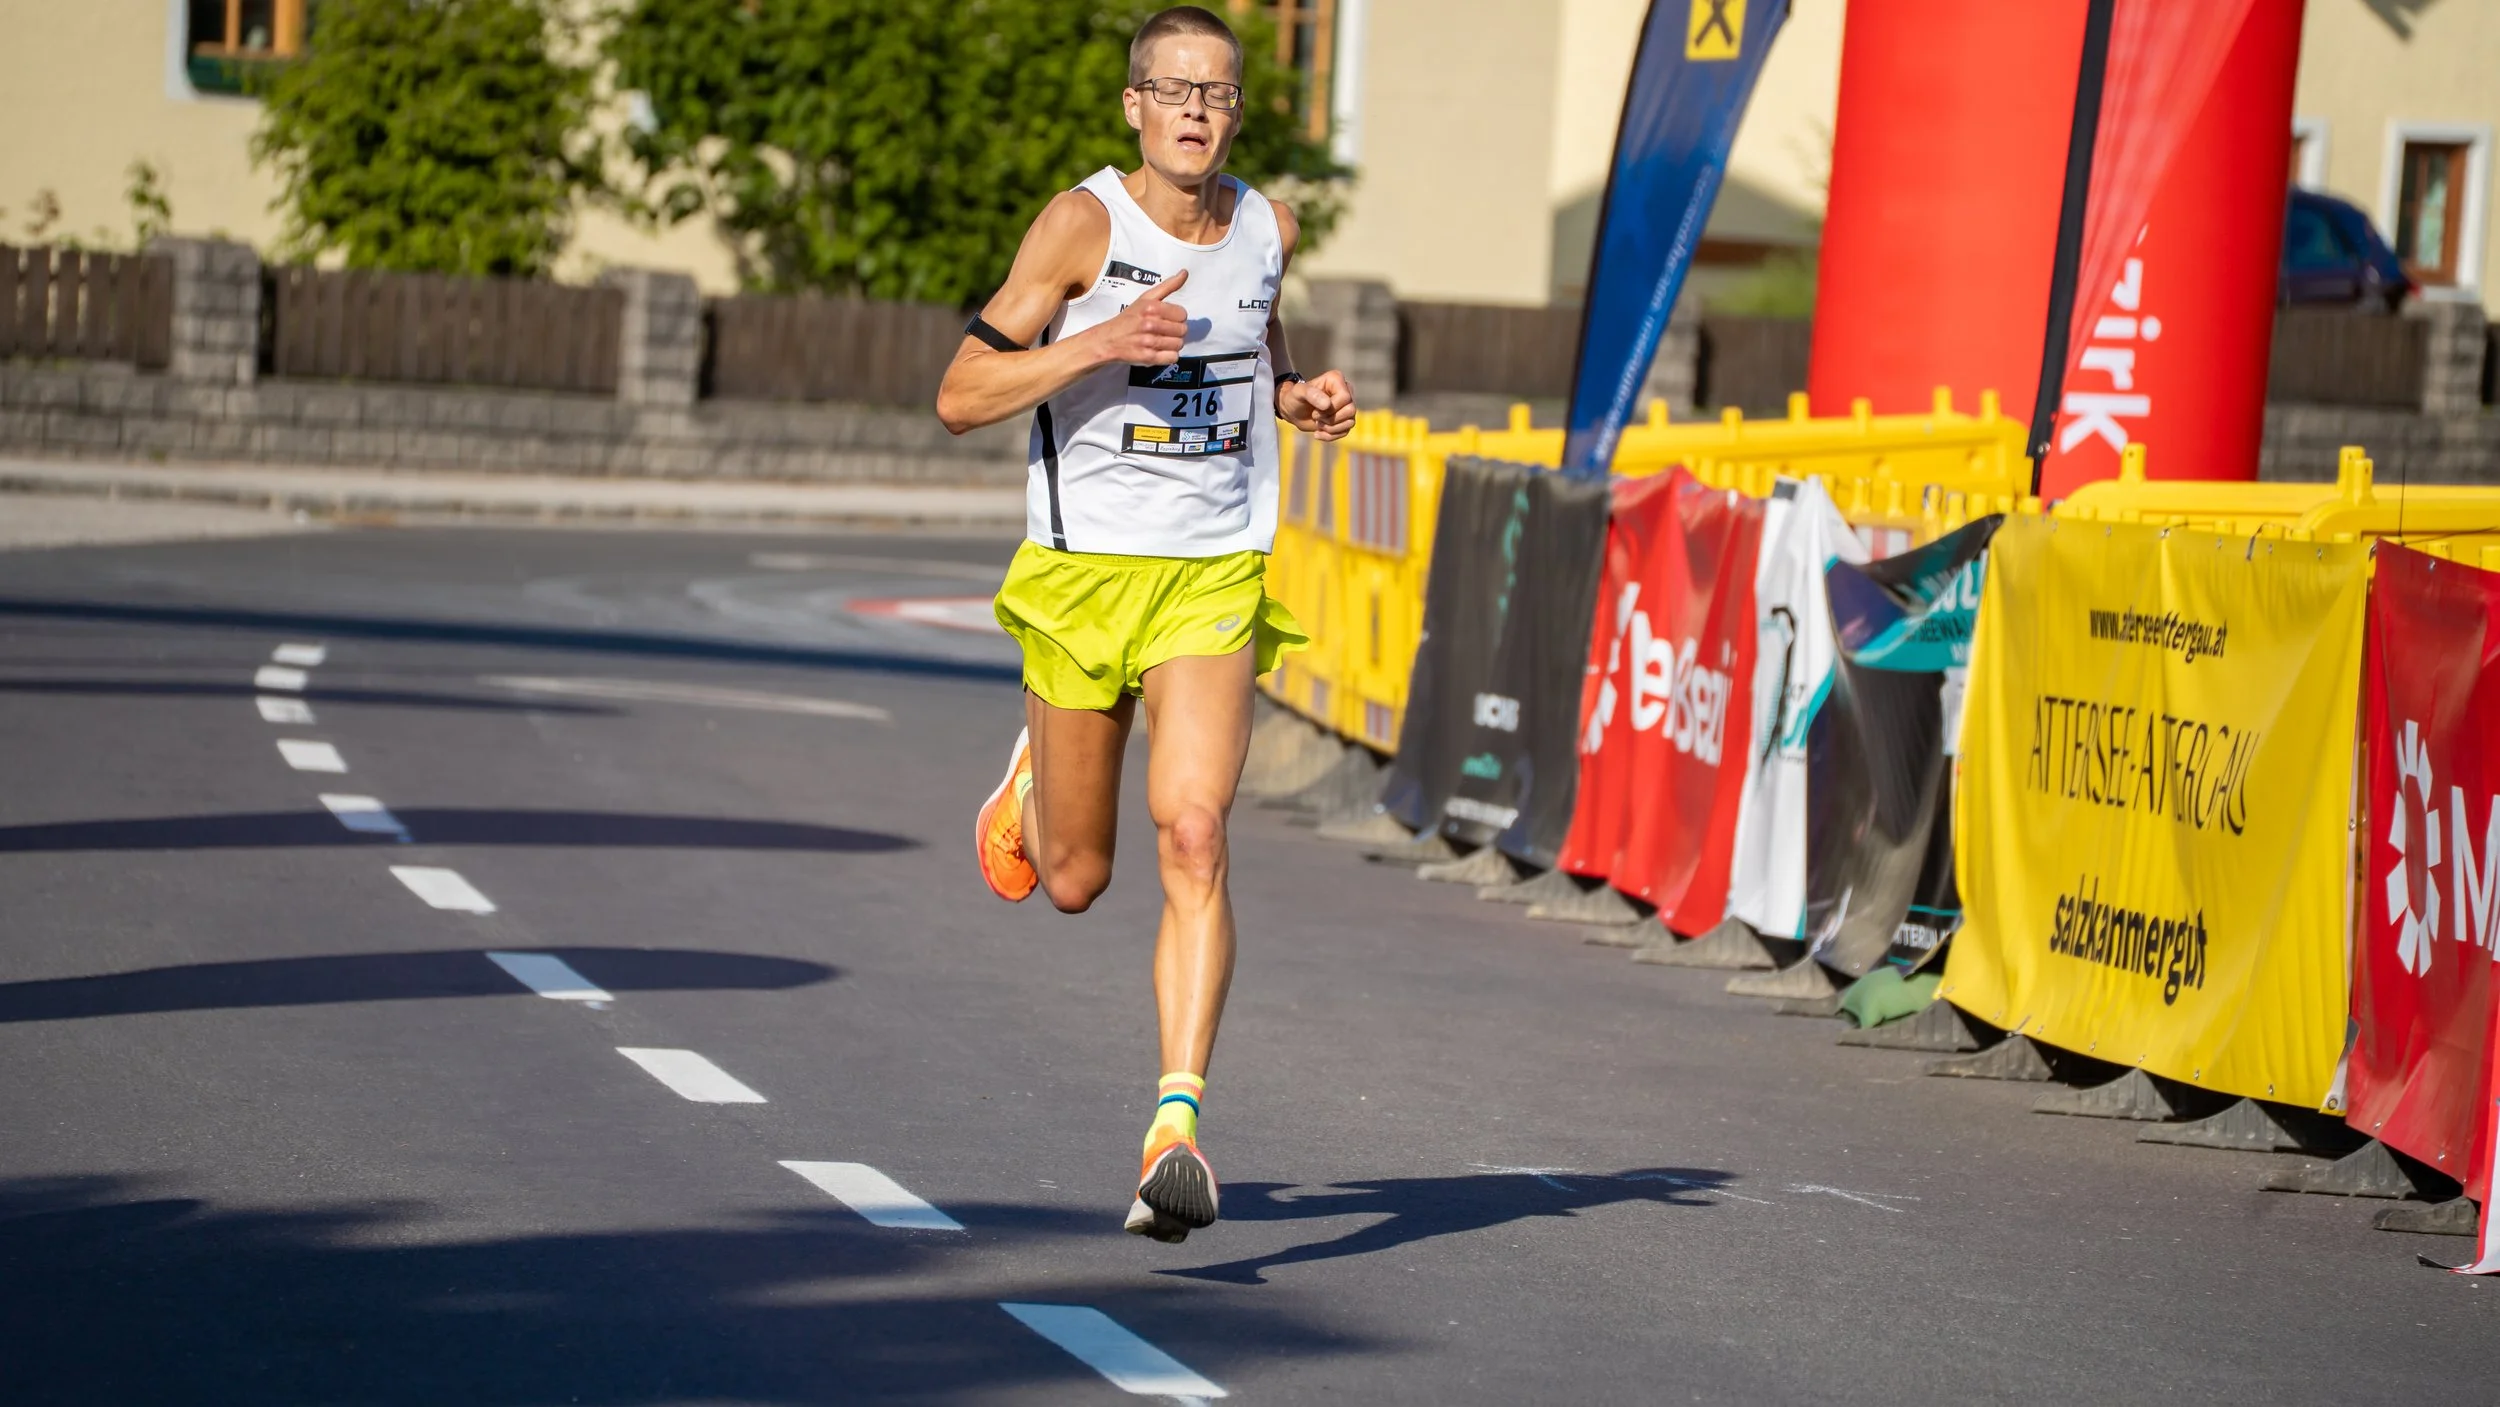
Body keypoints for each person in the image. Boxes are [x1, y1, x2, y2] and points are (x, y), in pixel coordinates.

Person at [934, 4, 1357, 1244]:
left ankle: (1175, 1122)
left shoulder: (1266, 226)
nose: (1193, 111)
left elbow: (1249, 343)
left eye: (1216, 95)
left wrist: (1296, 394)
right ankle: (1028, 788)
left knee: (1194, 831)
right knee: (1072, 880)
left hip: (1209, 574)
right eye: (1172, 90)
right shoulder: (1082, 224)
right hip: (1080, 576)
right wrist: (1102, 341)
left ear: (1236, 112)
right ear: (1133, 104)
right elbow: (960, 394)